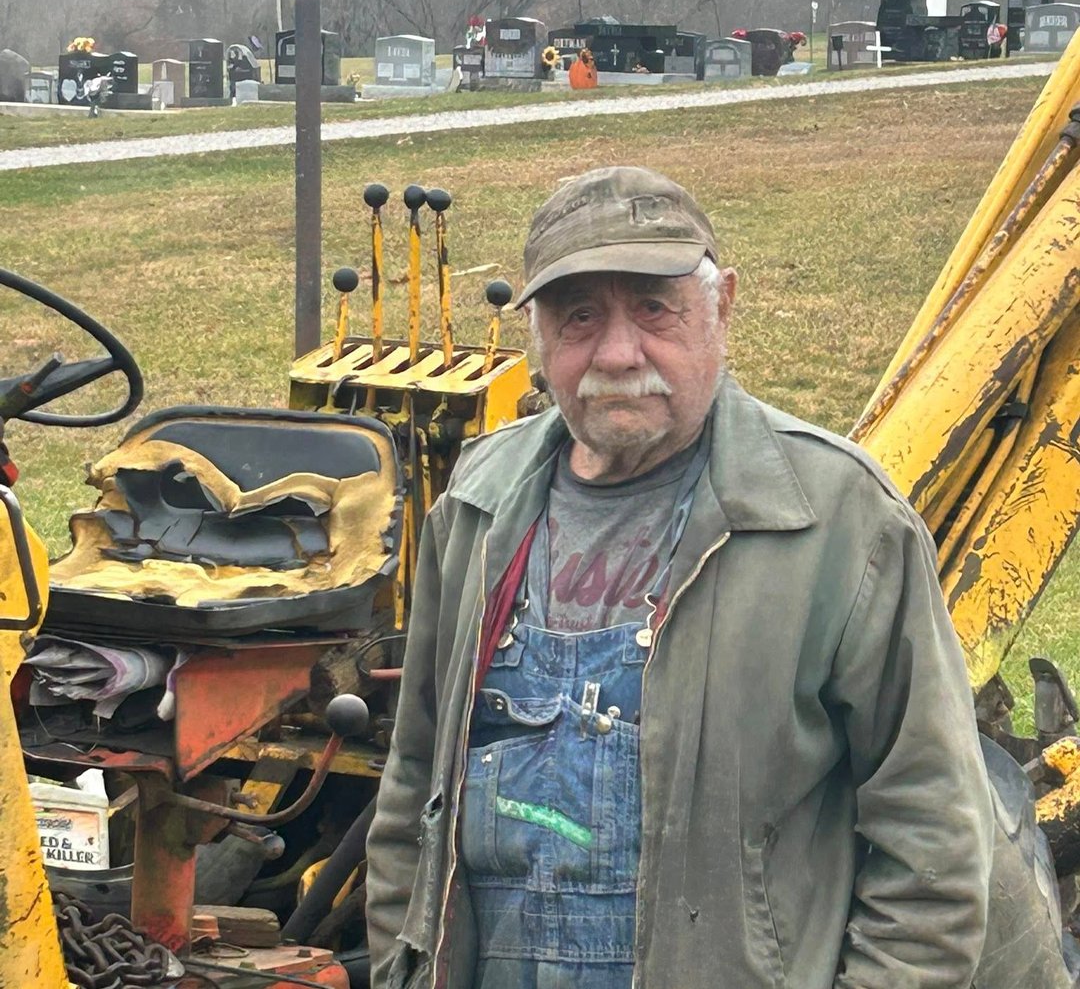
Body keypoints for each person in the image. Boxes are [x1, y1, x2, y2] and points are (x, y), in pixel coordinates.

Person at [365, 165, 994, 989]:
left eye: (655, 309)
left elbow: (933, 842)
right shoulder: (477, 508)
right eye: (579, 316)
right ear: (539, 337)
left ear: (723, 306)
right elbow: (415, 785)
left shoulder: (838, 521)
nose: (619, 354)